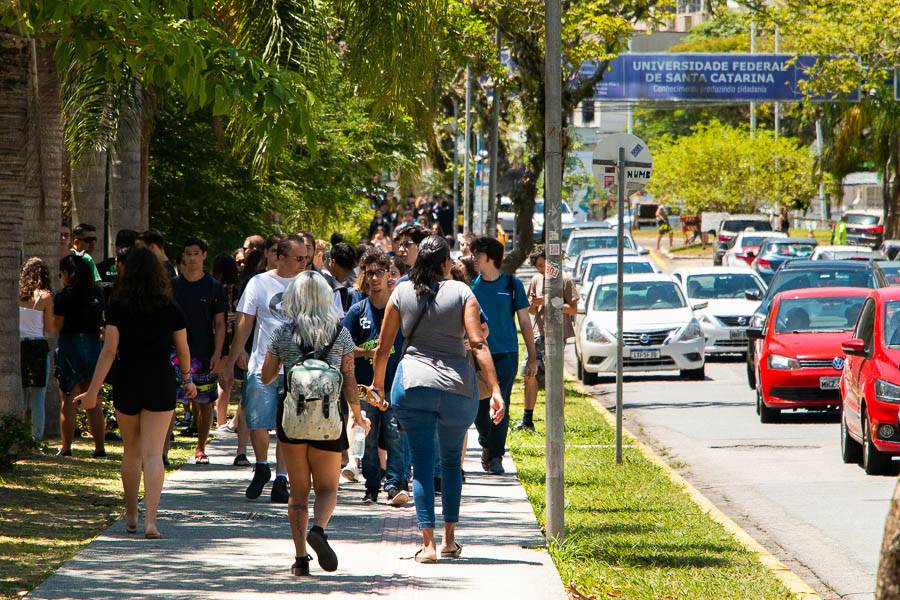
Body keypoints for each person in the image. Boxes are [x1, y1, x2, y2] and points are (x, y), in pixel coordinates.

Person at [372, 235, 504, 563]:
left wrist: (377, 386)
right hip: (458, 389)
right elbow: (478, 343)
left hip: (413, 385)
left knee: (421, 462)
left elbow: (384, 348)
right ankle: (449, 540)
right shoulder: (462, 292)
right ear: (447, 262)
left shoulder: (401, 291)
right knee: (450, 464)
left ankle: (427, 545)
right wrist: (496, 389)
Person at [75, 247, 197, 539]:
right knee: (154, 453)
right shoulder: (170, 306)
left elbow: (108, 351)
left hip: (128, 378)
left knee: (131, 451)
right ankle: (151, 521)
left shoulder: (117, 305)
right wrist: (188, 379)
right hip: (160, 379)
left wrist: (93, 390)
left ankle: (131, 513)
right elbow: (183, 350)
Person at [260, 271, 370, 576]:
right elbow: (349, 380)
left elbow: (266, 376)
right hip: (329, 419)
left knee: (298, 493)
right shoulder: (340, 333)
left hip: (291, 420)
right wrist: (358, 415)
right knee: (327, 487)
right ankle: (318, 529)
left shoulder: (283, 332)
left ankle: (299, 560)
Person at [220, 235, 309, 503]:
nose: (305, 263)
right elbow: (244, 324)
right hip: (262, 365)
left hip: (298, 368)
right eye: (299, 258)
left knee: (287, 426)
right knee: (258, 421)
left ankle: (282, 478)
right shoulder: (258, 283)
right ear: (280, 258)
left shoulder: (309, 284)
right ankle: (261, 466)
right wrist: (232, 359)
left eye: (306, 257)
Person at [342, 249, 408, 506]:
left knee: (395, 434)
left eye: (380, 272)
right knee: (368, 438)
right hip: (365, 388)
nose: (376, 278)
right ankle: (371, 486)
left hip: (395, 385)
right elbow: (344, 347)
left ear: (388, 274)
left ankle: (394, 485)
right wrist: (369, 351)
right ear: (364, 276)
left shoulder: (400, 308)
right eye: (370, 273)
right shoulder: (358, 311)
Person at [470, 236, 536, 474]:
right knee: (478, 406)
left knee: (502, 403)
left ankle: (496, 456)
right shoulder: (470, 286)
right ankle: (487, 442)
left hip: (506, 353)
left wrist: (533, 355)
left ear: (490, 258)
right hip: (477, 356)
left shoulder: (512, 284)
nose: (473, 258)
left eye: (477, 254)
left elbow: (525, 322)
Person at [173, 238, 227, 464]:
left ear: (204, 255)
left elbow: (221, 324)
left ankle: (201, 447)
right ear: (183, 256)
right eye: (188, 253)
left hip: (204, 352)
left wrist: (218, 353)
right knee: (169, 402)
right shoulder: (173, 285)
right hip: (174, 352)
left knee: (205, 403)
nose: (192, 258)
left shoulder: (214, 287)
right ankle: (163, 449)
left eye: (196, 253)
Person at [514, 246, 578, 433]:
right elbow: (531, 311)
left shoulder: (564, 280)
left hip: (557, 335)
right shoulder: (535, 280)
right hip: (537, 333)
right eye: (537, 267)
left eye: (542, 265)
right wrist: (534, 303)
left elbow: (572, 309)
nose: (540, 270)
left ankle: (557, 421)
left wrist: (549, 301)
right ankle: (528, 419)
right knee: (528, 373)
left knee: (554, 378)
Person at [54, 254, 107, 457]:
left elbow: (57, 325)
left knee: (68, 398)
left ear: (68, 273)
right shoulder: (98, 293)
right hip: (93, 343)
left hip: (69, 343)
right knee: (93, 398)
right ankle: (99, 448)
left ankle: (66, 447)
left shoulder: (64, 295)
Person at [19, 258, 55, 439]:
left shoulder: (15, 294)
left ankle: (18, 436)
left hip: (18, 345)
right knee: (38, 396)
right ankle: (36, 439)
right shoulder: (45, 296)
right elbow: (49, 328)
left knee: (21, 394)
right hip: (37, 345)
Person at [322, 242, 358, 317]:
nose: (348, 273)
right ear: (332, 262)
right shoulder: (323, 284)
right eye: (345, 268)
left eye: (350, 269)